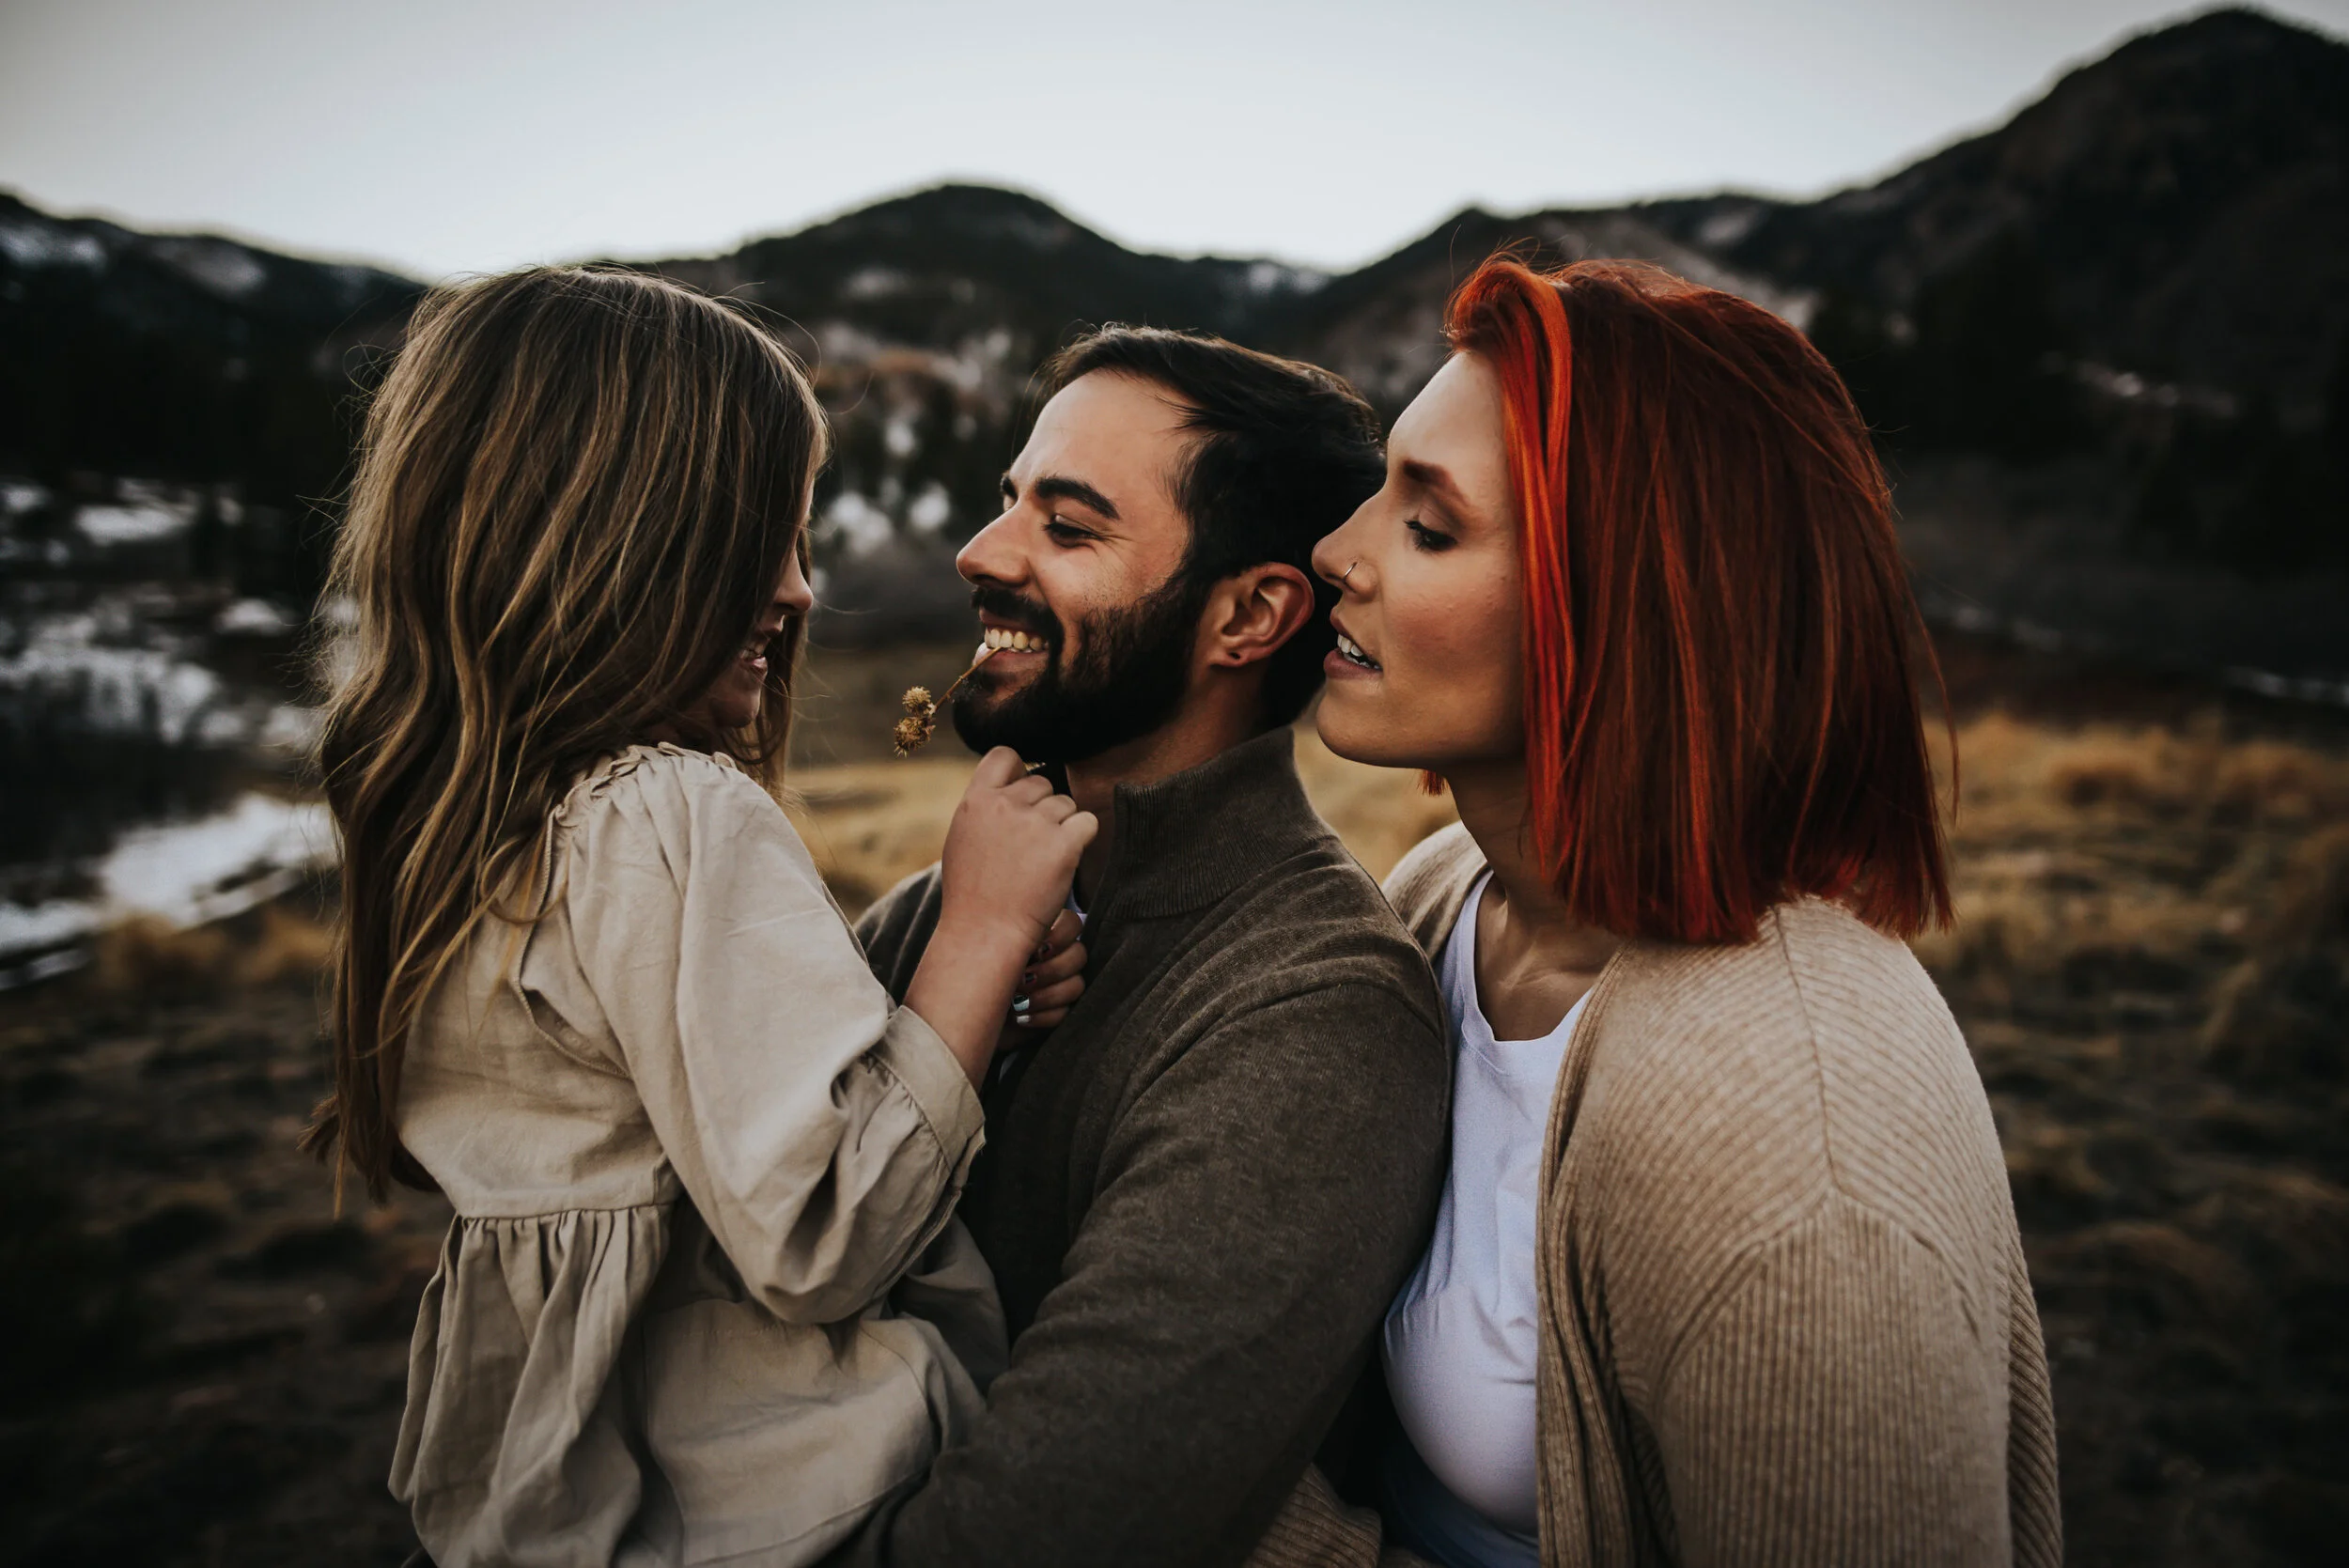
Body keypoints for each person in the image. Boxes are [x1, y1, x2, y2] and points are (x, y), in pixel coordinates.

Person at [1254, 256, 2061, 1567]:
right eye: (1375, 494)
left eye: (1430, 525)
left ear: (1620, 605)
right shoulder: (1445, 898)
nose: (1336, 555)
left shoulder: (1803, 1170)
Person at [302, 265, 1096, 1568]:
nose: (795, 595)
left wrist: (961, 1028)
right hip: (774, 1504)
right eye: (763, 544)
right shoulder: (670, 812)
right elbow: (821, 1236)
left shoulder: (472, 821)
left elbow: (678, 1106)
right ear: (619, 547)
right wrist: (978, 937)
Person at [833, 328, 1453, 1567]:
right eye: (1008, 500)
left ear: (1252, 614)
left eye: (1068, 528)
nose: (981, 553)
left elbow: (1034, 1538)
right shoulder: (931, 916)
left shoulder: (1311, 1013)